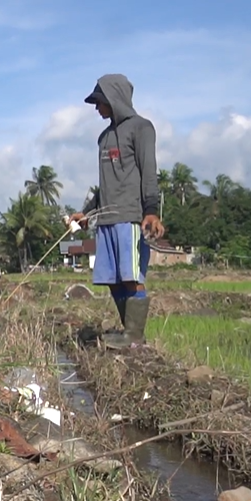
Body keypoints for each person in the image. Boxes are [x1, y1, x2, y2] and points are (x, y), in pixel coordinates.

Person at [69, 74, 165, 349]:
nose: (97, 108)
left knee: (132, 277)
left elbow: (149, 173)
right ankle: (128, 333)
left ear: (114, 99)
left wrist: (151, 211)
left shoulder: (141, 128)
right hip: (107, 219)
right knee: (112, 279)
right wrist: (86, 213)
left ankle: (135, 337)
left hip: (130, 217)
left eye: (99, 102)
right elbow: (104, 186)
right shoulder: (104, 137)